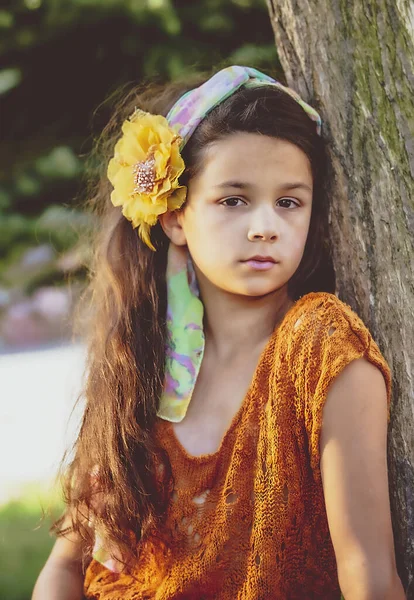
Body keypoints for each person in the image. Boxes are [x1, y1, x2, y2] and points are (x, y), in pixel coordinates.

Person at [32, 65, 406, 599]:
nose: (264, 225)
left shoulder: (320, 347)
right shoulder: (139, 361)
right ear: (174, 216)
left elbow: (369, 578)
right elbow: (64, 567)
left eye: (288, 201)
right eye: (234, 200)